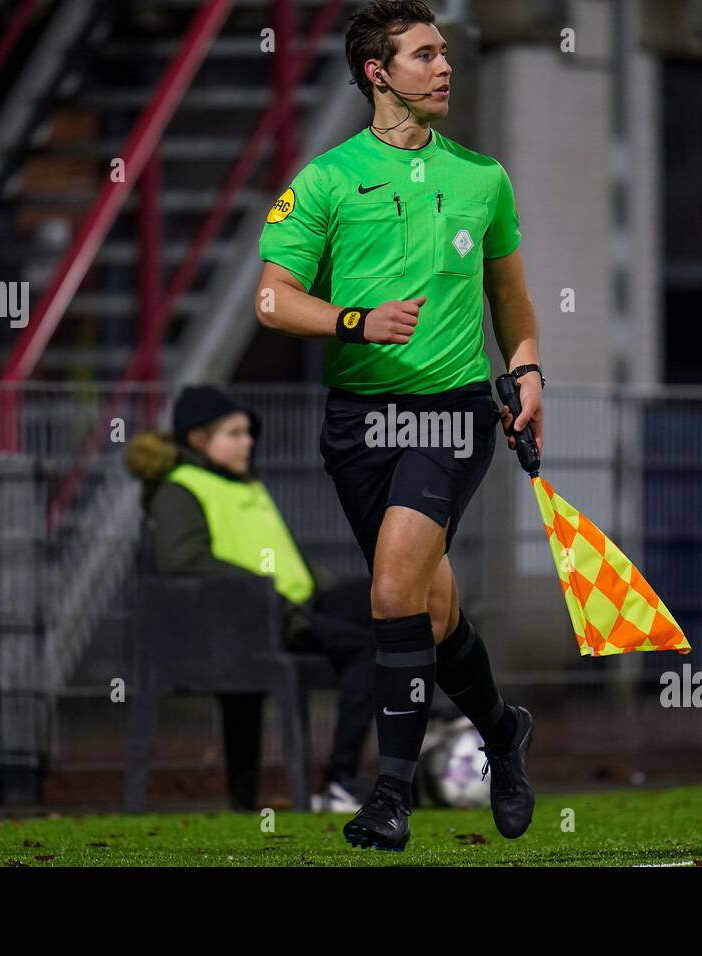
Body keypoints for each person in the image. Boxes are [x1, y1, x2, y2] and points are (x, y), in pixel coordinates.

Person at [254, 0, 545, 850]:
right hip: (356, 424)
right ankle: (502, 732)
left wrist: (526, 370)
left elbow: (513, 302)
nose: (445, 67)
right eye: (425, 55)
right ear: (378, 74)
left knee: (390, 593)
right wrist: (355, 320)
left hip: (453, 415)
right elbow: (271, 300)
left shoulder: (483, 177)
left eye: (445, 52)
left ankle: (387, 794)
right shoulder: (324, 180)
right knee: (433, 607)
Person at [125, 384, 376, 813]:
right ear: (199, 439)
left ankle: (438, 731)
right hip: (248, 627)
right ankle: (341, 780)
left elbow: (285, 554)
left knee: (389, 602)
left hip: (294, 610)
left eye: (248, 432)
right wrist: (264, 592)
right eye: (235, 433)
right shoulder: (179, 489)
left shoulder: (245, 484)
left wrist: (323, 585)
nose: (248, 441)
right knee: (368, 650)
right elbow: (182, 559)